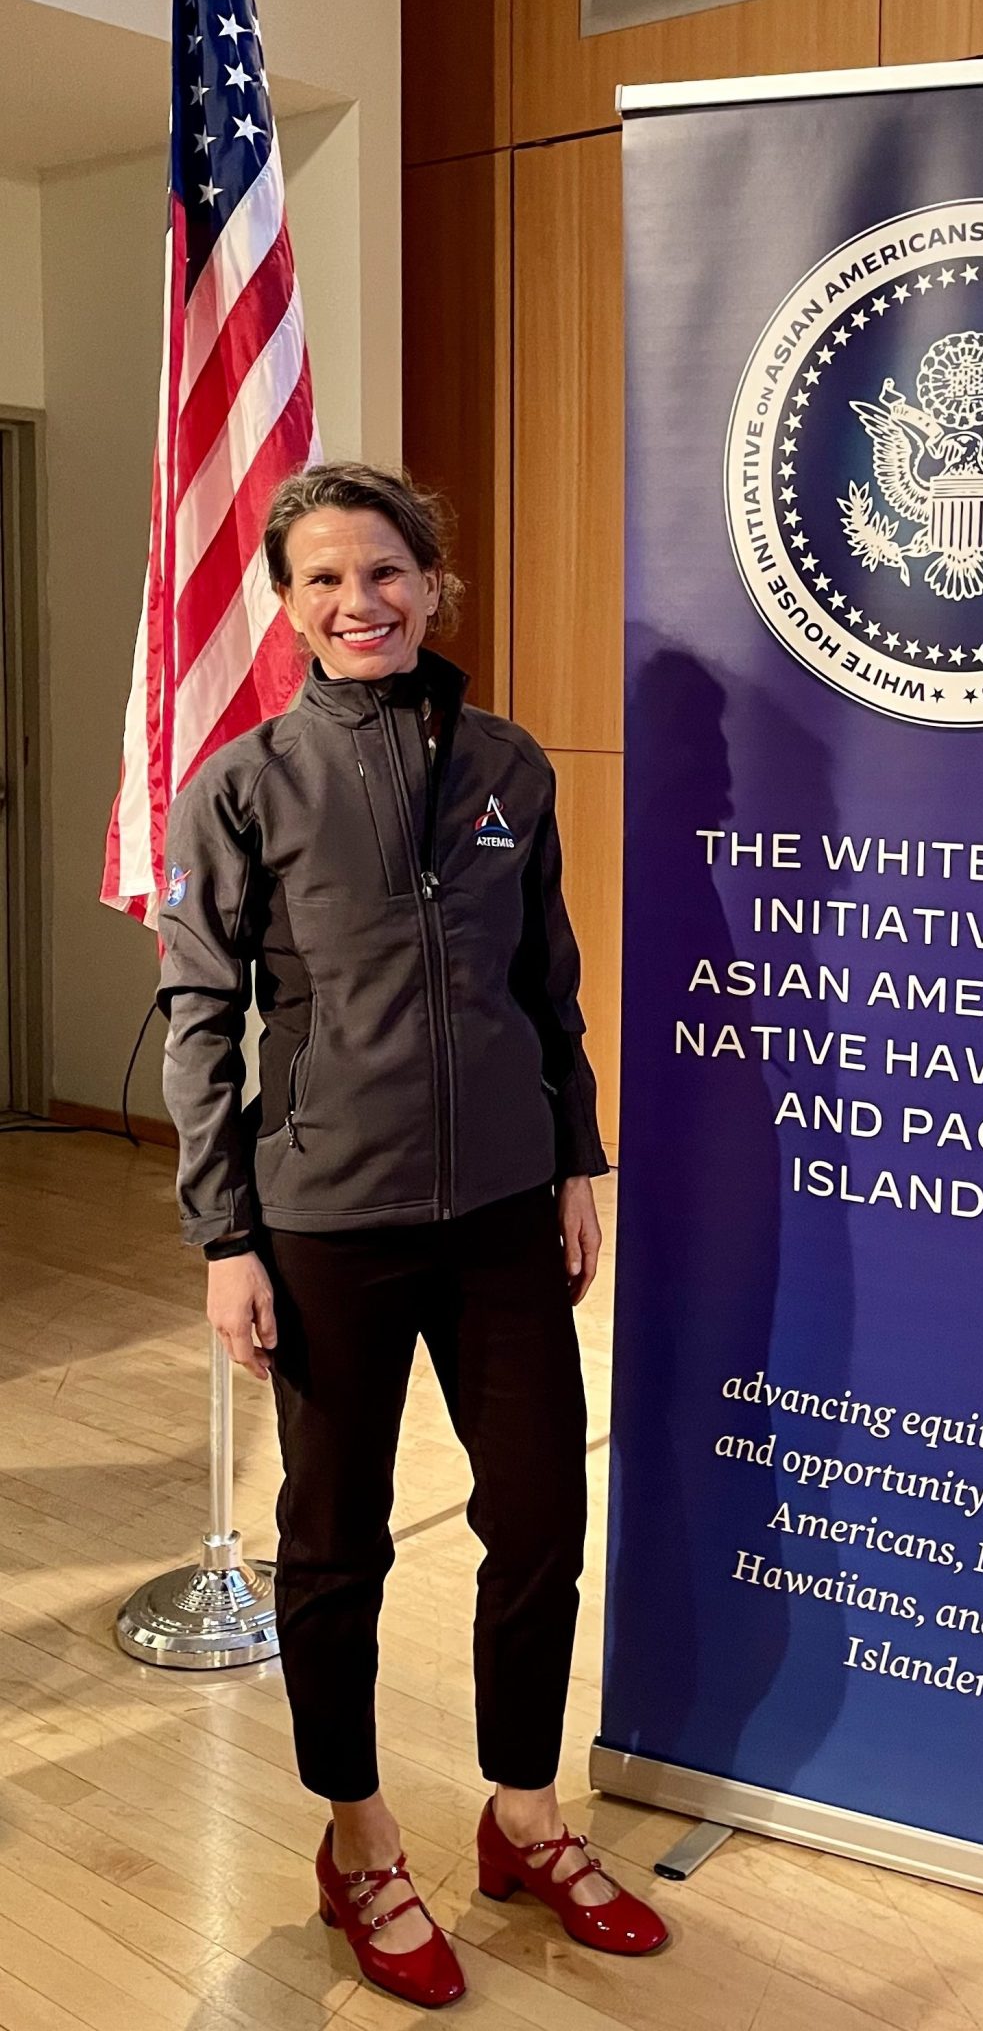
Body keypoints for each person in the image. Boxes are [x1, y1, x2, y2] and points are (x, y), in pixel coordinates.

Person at [157, 462, 667, 2008]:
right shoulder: (244, 786)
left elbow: (550, 982)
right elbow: (199, 1021)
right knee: (335, 1545)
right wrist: (224, 1238)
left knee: (541, 1520)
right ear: (286, 604)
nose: (357, 603)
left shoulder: (512, 765)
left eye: (385, 571)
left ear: (436, 584)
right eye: (321, 579)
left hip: (508, 1210)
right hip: (326, 1223)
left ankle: (524, 1814)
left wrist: (578, 1156)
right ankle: (359, 1839)